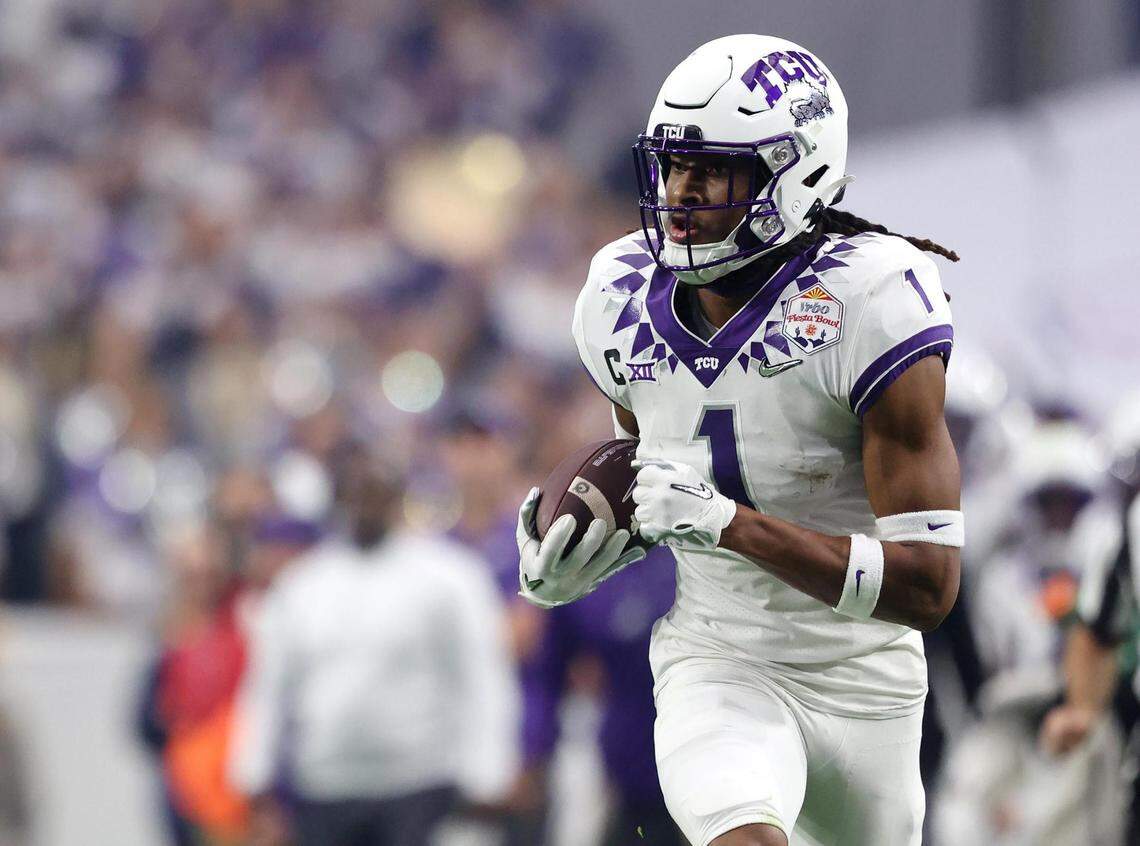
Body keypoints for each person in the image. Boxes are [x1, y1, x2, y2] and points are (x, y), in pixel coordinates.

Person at [515, 34, 964, 846]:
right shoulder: (616, 299)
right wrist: (583, 552)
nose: (680, 196)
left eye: (712, 171)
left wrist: (727, 523)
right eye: (671, 169)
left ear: (797, 173)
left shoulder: (872, 302)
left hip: (865, 681)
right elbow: (652, 481)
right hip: (718, 660)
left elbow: (928, 588)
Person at [229, 454, 520, 846]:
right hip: (325, 786)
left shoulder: (447, 576)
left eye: (375, 493)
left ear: (395, 496)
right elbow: (269, 685)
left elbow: (481, 673)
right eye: (356, 494)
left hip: (418, 783)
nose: (366, 504)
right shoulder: (303, 585)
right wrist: (254, 774)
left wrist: (489, 770)